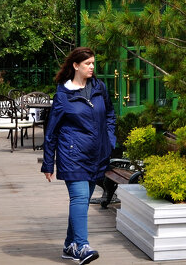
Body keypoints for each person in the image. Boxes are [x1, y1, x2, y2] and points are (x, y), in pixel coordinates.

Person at [42, 47, 115, 264]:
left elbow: (110, 114)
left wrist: (109, 139)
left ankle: (68, 245)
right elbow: (51, 131)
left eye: (93, 63)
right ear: (76, 66)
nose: (92, 67)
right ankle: (82, 246)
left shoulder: (99, 87)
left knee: (81, 202)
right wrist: (48, 163)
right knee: (80, 198)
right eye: (87, 64)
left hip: (97, 155)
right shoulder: (63, 95)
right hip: (72, 155)